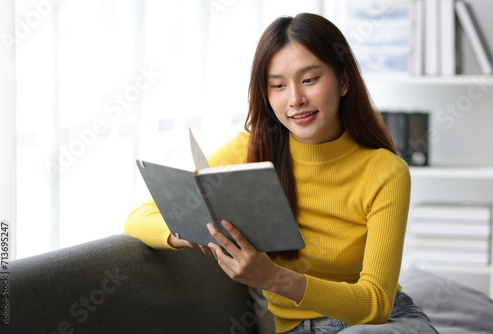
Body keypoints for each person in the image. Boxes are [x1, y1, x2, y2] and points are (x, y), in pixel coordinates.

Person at [125, 13, 439, 334]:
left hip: (380, 324)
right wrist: (190, 230)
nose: (295, 99)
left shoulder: (385, 171)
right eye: (278, 85)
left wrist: (274, 278)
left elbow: (375, 303)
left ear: (343, 81)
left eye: (310, 80)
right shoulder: (250, 152)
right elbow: (138, 218)